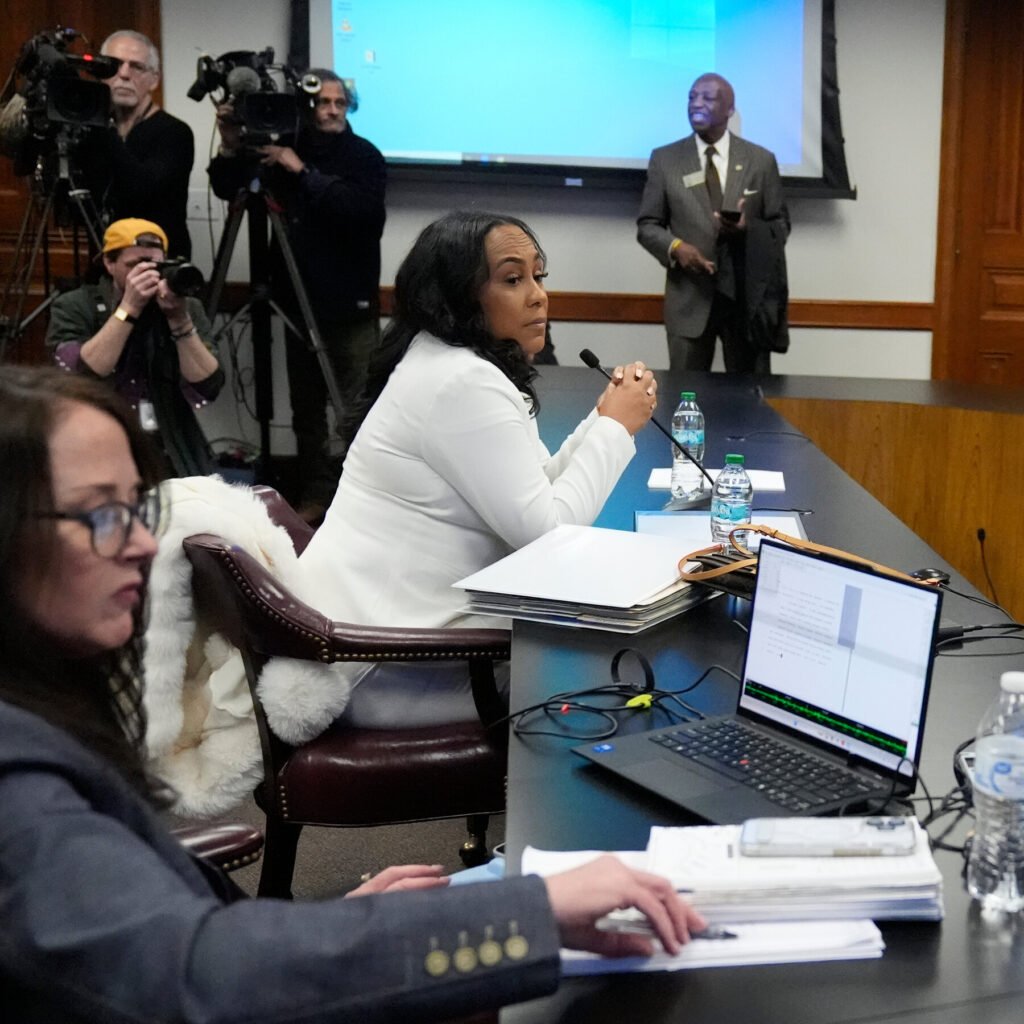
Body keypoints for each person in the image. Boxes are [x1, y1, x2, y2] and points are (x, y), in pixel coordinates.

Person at [0, 364, 705, 1022]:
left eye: (137, 509)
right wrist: (530, 913)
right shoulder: (19, 784)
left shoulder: (50, 709)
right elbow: (192, 977)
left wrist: (334, 929)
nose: (141, 545)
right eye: (100, 516)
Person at [296, 210, 658, 728]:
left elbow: (537, 489)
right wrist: (616, 428)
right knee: (621, 662)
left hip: (381, 640)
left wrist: (602, 419)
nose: (538, 296)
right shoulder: (462, 381)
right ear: (457, 296)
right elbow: (548, 534)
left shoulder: (451, 362)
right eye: (513, 279)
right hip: (390, 665)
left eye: (538, 276)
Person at [208, 69, 386, 523]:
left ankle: (362, 502)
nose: (331, 111)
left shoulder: (363, 155)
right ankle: (314, 494)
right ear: (308, 107)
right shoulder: (286, 145)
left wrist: (302, 172)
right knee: (306, 411)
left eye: (339, 103)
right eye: (323, 103)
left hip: (350, 304)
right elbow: (229, 187)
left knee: (358, 408)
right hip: (295, 302)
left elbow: (363, 215)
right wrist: (231, 144)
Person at [637, 72, 790, 373]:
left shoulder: (760, 160)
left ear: (730, 109)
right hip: (689, 299)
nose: (697, 104)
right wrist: (676, 248)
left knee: (748, 395)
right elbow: (647, 225)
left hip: (745, 302)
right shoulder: (665, 159)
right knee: (686, 394)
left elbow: (781, 225)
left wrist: (747, 229)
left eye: (708, 98)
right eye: (692, 97)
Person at [46, 217, 223, 476]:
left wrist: (180, 321)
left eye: (156, 265)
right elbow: (81, 376)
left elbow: (208, 386)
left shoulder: (187, 307)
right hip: (95, 441)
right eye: (135, 265)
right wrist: (129, 308)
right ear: (109, 263)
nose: (148, 274)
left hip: (169, 443)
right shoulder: (75, 304)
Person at [76, 30, 195, 258]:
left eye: (137, 67)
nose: (124, 74)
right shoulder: (91, 132)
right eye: (114, 65)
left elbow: (141, 190)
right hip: (106, 260)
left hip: (158, 263)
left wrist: (102, 127)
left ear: (154, 79)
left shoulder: (174, 132)